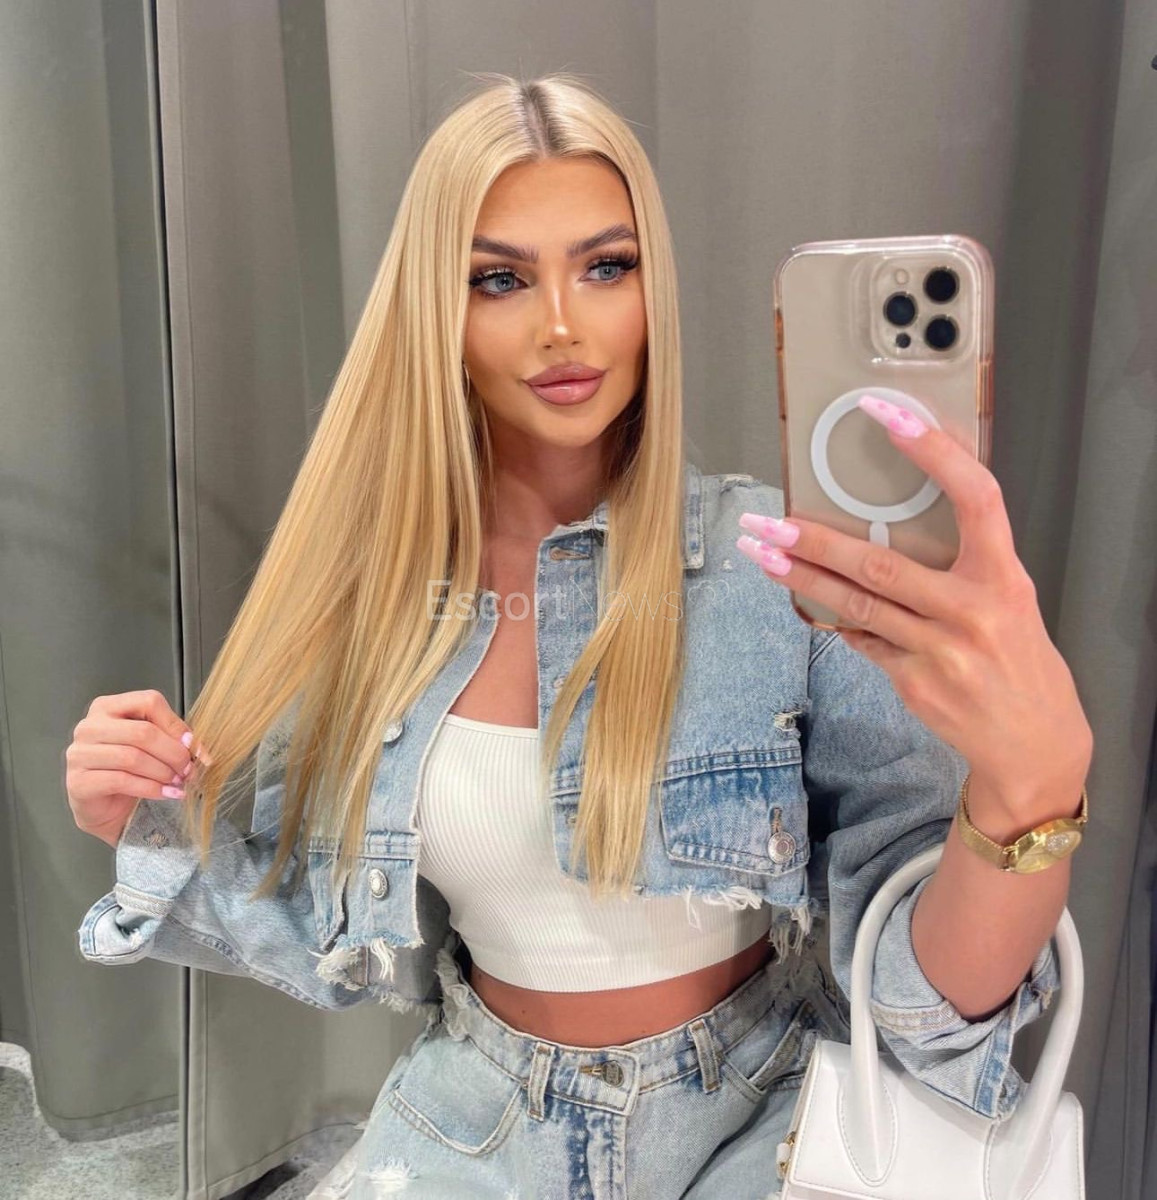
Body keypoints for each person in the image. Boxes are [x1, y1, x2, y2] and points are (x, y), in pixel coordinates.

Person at [70, 72, 1088, 1199]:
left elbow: (924, 1005)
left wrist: (1030, 789)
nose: (561, 324)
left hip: (761, 1116)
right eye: (499, 279)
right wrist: (142, 813)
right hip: (479, 1117)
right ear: (438, 315)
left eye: (606, 267)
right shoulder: (375, 601)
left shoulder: (777, 569)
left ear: (653, 291)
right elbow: (310, 921)